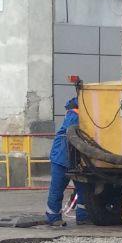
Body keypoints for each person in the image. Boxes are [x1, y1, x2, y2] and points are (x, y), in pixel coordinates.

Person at [46, 97, 90, 226]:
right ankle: (53, 217)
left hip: (74, 160)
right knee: (58, 189)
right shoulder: (74, 116)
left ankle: (82, 217)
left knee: (83, 190)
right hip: (62, 159)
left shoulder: (75, 115)